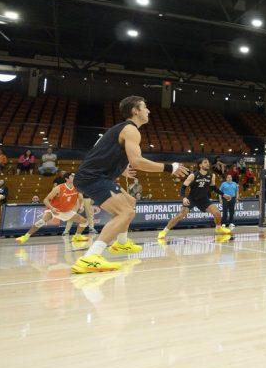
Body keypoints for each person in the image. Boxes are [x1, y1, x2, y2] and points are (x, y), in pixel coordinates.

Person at [71, 95, 190, 273]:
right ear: (135, 110)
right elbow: (137, 162)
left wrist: (121, 169)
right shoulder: (131, 129)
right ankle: (90, 257)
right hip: (93, 177)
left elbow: (107, 154)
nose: (148, 110)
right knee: (125, 212)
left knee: (130, 203)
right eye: (145, 107)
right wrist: (169, 168)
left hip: (95, 176)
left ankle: (121, 243)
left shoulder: (122, 130)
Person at [157, 158, 233, 245]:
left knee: (217, 213)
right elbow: (183, 187)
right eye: (205, 162)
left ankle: (218, 227)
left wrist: (223, 194)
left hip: (203, 199)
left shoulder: (212, 175)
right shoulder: (193, 175)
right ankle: (164, 231)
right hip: (192, 198)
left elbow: (213, 188)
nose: (208, 164)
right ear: (200, 165)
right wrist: (184, 198)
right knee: (181, 215)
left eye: (208, 162)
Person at [16, 172, 89, 244]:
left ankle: (77, 236)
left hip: (66, 211)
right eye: (72, 176)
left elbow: (81, 199)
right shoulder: (59, 188)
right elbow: (46, 200)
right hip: (54, 209)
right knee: (41, 222)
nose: (75, 177)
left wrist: (81, 206)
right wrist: (51, 208)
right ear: (67, 179)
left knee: (85, 222)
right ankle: (25, 237)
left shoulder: (77, 188)